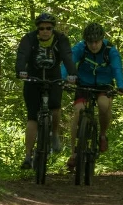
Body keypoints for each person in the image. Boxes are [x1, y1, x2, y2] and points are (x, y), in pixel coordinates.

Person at [15, 12, 77, 170]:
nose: (45, 31)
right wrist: (21, 70)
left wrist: (72, 74)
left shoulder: (60, 39)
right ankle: (28, 156)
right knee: (32, 117)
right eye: (41, 28)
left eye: (48, 28)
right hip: (33, 78)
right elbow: (22, 55)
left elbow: (67, 56)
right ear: (37, 29)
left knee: (55, 106)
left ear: (53, 28)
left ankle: (54, 135)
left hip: (53, 78)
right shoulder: (29, 39)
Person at [67, 22, 123, 168]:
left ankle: (102, 135)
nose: (93, 45)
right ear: (85, 41)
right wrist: (64, 78)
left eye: (96, 42)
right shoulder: (80, 48)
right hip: (83, 83)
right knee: (78, 112)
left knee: (103, 104)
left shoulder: (110, 51)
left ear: (101, 39)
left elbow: (117, 68)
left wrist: (121, 85)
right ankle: (73, 153)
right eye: (90, 42)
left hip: (104, 84)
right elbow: (68, 63)